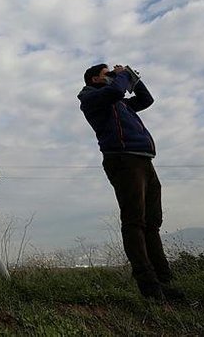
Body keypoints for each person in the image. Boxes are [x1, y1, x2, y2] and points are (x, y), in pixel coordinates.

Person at [78, 64, 183, 301]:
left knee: (152, 222)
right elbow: (115, 91)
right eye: (108, 74)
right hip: (123, 159)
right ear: (95, 79)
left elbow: (146, 99)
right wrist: (123, 74)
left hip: (144, 159)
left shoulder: (121, 104)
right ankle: (149, 287)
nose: (114, 77)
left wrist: (133, 79)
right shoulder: (91, 98)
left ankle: (164, 280)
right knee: (134, 221)